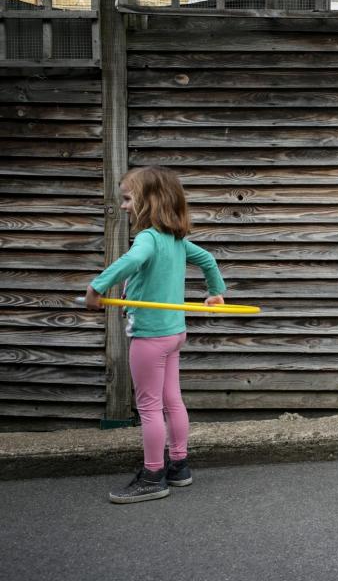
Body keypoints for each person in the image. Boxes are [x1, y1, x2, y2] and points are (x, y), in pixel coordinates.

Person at [85, 166, 226, 504]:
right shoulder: (176, 240)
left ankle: (152, 475)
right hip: (174, 333)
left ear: (148, 201)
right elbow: (207, 259)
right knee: (172, 400)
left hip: (150, 337)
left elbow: (131, 261)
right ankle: (179, 465)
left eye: (128, 199)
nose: (123, 206)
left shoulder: (148, 238)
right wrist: (215, 291)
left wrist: (97, 287)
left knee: (148, 407)